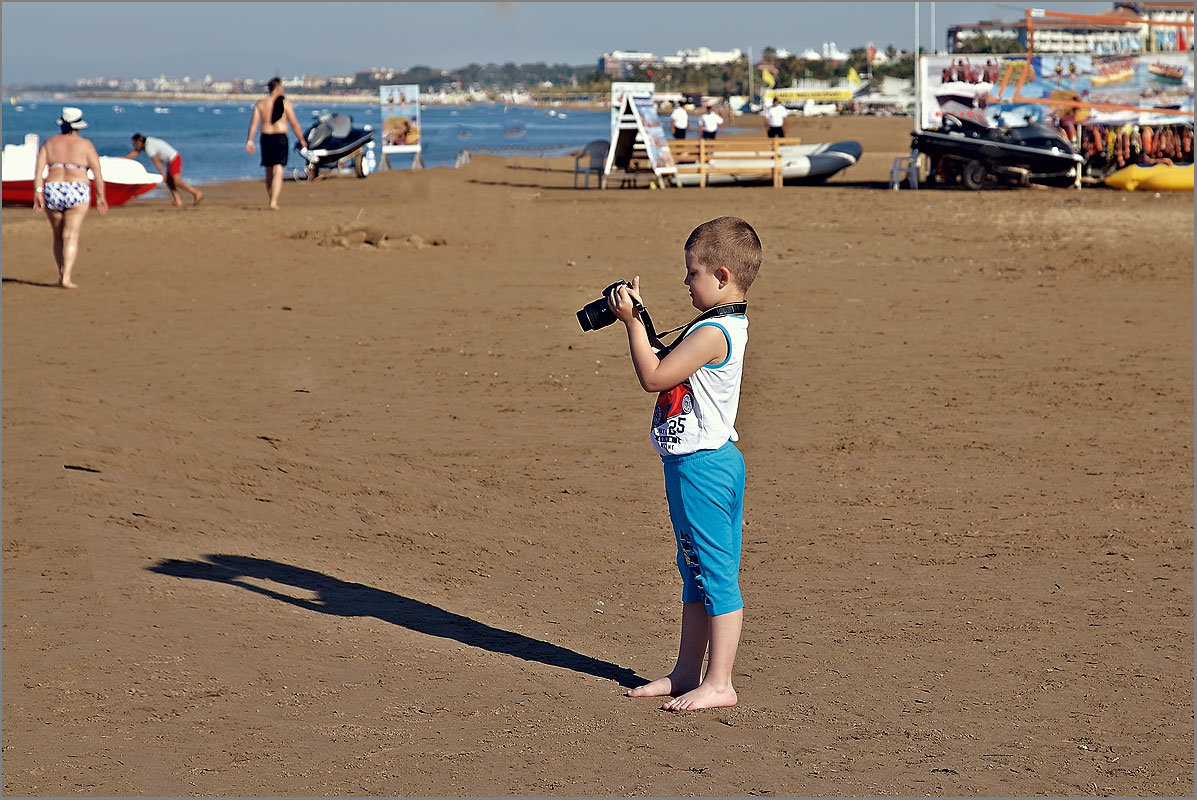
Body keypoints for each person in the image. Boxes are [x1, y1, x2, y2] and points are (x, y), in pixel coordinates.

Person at [606, 216, 761, 712]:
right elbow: (668, 361)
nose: (685, 281)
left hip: (703, 468)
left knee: (714, 574)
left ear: (721, 276)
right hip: (707, 464)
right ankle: (686, 673)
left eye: (691, 273)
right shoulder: (723, 324)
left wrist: (631, 324)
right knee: (696, 572)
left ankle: (720, 683)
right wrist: (643, 319)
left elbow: (653, 375)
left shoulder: (714, 332)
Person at [32, 107, 107, 289]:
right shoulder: (86, 145)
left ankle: (61, 275)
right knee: (70, 236)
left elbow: (39, 170)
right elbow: (97, 173)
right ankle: (66, 277)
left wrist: (38, 192)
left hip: (53, 188)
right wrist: (101, 197)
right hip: (77, 188)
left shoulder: (49, 143)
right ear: (78, 126)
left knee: (57, 236)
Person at [245, 77, 308, 210]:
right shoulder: (285, 103)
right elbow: (294, 123)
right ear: (278, 88)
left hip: (266, 137)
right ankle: (273, 201)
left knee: (269, 171)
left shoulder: (261, 103)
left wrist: (250, 140)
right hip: (279, 137)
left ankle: (271, 199)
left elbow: (254, 124)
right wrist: (302, 139)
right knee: (278, 169)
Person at [124, 133, 202, 206]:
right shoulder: (147, 142)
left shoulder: (149, 147)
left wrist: (163, 174)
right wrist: (122, 158)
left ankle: (196, 193)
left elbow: (156, 162)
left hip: (174, 159)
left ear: (140, 141)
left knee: (177, 181)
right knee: (169, 181)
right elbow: (135, 153)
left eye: (135, 144)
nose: (135, 146)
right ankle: (177, 200)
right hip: (171, 160)